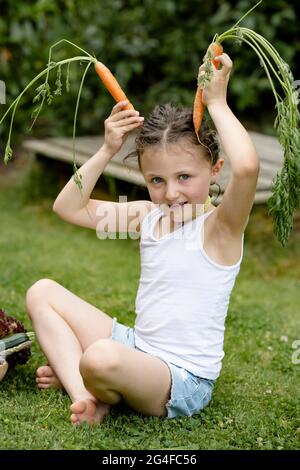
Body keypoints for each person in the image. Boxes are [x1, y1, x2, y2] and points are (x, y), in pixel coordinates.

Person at [26, 52, 259, 425]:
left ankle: (90, 374)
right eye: (157, 180)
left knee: (100, 357)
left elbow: (247, 168)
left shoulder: (221, 228)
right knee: (42, 292)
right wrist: (106, 149)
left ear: (215, 169)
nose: (171, 194)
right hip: (138, 346)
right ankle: (86, 392)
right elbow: (68, 207)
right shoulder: (149, 217)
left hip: (181, 377)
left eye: (185, 177)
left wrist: (216, 101)